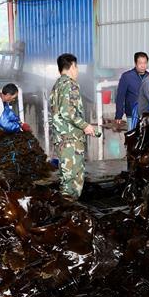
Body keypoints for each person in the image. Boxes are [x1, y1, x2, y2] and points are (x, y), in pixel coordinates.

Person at [49, 53, 96, 200]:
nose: (77, 71)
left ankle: (67, 210)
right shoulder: (70, 84)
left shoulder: (57, 85)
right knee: (73, 181)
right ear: (72, 66)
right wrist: (86, 126)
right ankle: (69, 212)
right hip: (71, 139)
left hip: (61, 138)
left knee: (66, 177)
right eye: (77, 67)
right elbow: (68, 113)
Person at [115, 52, 148, 126]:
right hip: (132, 115)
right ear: (135, 63)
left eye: (145, 63)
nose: (143, 66)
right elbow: (120, 96)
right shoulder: (127, 76)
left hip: (147, 115)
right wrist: (118, 115)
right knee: (132, 136)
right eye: (140, 63)